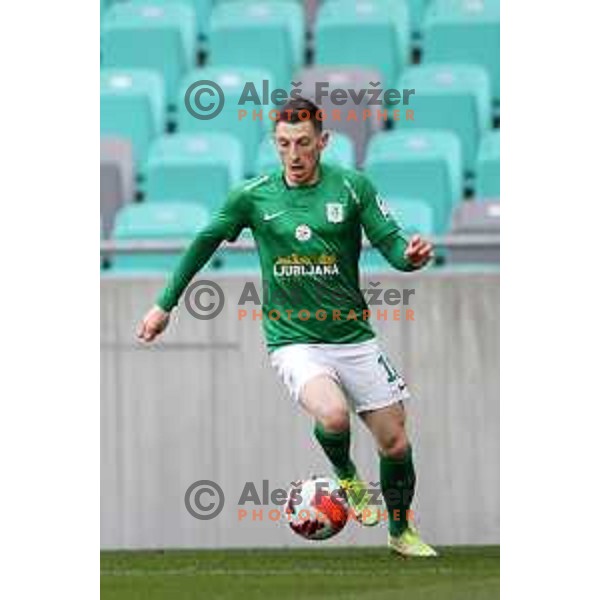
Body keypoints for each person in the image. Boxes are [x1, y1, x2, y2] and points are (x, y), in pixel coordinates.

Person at [137, 98, 437, 557]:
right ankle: (348, 477)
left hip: (353, 337)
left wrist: (411, 258)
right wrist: (164, 305)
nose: (293, 155)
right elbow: (203, 241)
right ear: (274, 144)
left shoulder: (352, 187)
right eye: (283, 144)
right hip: (293, 340)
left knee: (395, 444)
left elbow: (392, 244)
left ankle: (401, 532)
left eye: (302, 143)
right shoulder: (253, 195)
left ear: (323, 141)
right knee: (334, 415)